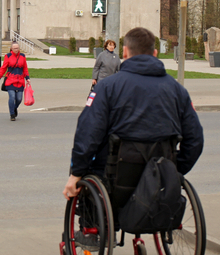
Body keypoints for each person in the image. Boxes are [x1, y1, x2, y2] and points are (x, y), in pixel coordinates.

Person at [64, 26, 204, 200]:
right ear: (155, 53)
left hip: (115, 177)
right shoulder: (177, 90)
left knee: (89, 161)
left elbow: (88, 131)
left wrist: (76, 172)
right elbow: (195, 138)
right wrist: (176, 169)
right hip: (160, 173)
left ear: (124, 52)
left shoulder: (108, 87)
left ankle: (88, 223)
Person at [0, 42, 30, 121]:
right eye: (14, 48)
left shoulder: (22, 56)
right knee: (12, 97)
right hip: (10, 80)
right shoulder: (8, 56)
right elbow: (3, 68)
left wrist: (27, 78)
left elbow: (25, 68)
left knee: (19, 99)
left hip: (20, 80)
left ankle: (14, 108)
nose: (16, 50)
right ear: (11, 49)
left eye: (17, 48)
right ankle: (12, 114)